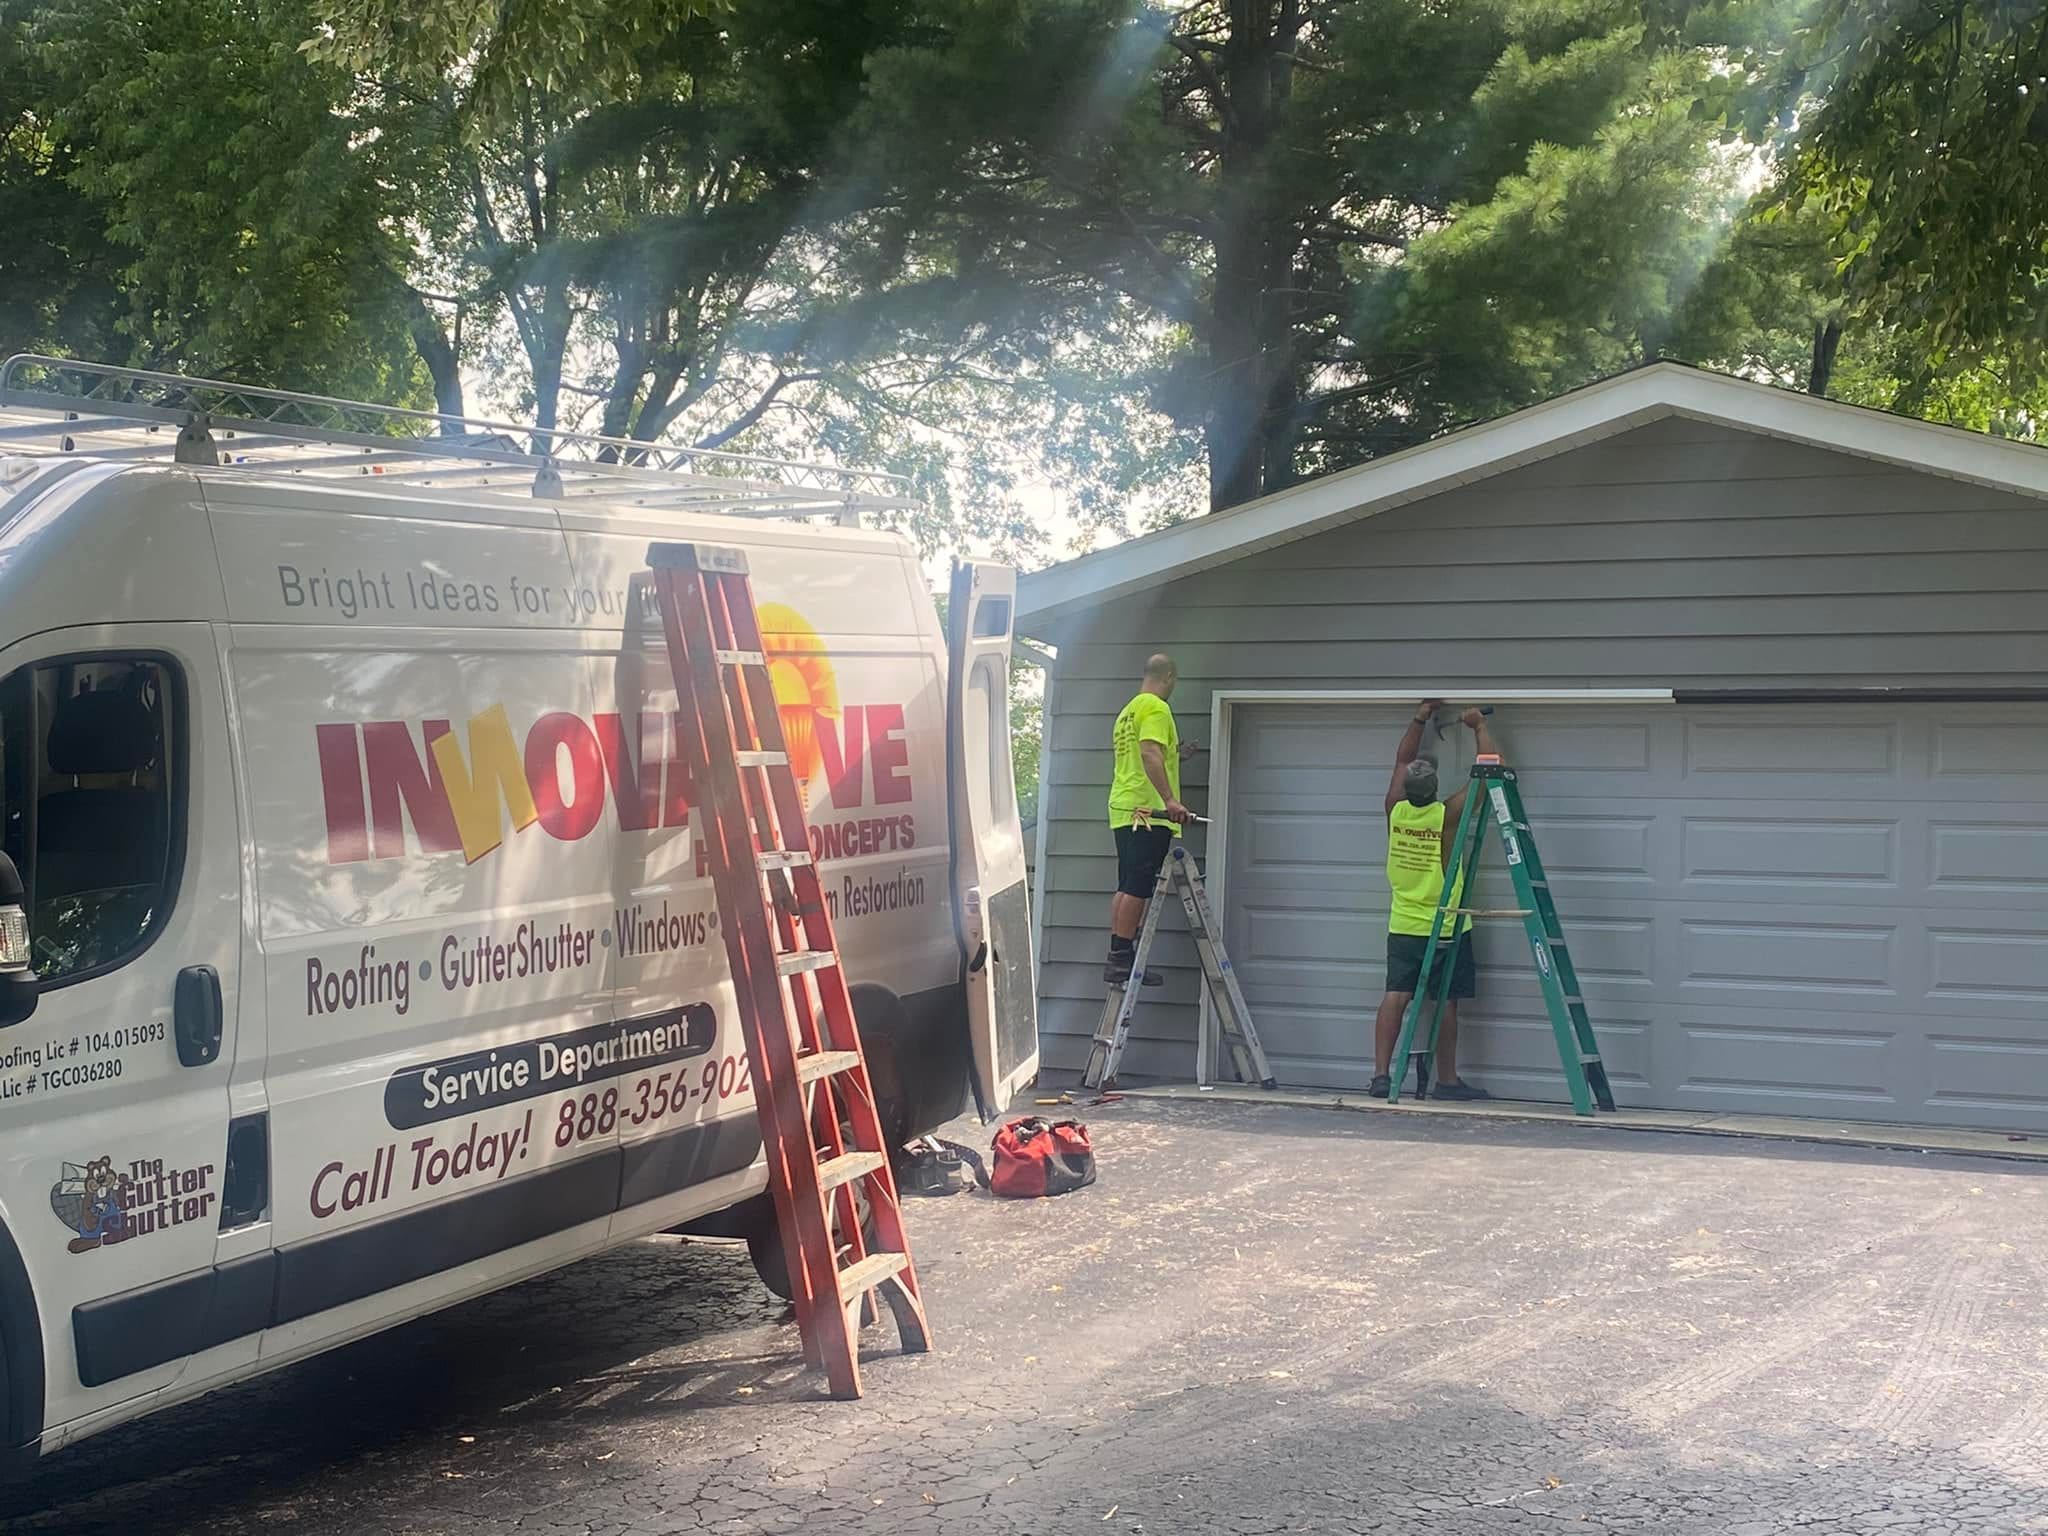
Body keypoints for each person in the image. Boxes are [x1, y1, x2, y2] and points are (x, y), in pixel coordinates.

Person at [1369, 700, 1500, 1100]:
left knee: (1396, 996)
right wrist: (1478, 727)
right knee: (1444, 1003)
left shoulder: (1394, 811)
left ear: (1406, 790)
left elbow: (1402, 759)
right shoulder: (1445, 816)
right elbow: (1488, 774)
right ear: (1434, 789)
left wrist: (1420, 717)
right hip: (1446, 924)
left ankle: (1380, 1076)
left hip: (1404, 924)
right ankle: (1447, 1080)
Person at [1104, 653, 1198, 985]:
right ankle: (1121, 958)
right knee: (1139, 885)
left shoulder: (1129, 711)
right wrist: (1170, 799)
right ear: (1169, 677)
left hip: (1124, 808)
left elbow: (1146, 752)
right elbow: (1148, 752)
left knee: (1128, 883)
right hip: (1148, 811)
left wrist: (1176, 755)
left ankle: (1120, 955)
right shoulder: (1157, 708)